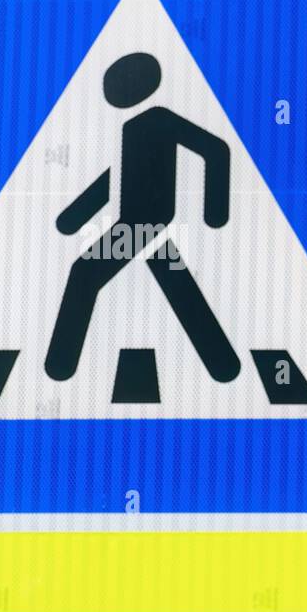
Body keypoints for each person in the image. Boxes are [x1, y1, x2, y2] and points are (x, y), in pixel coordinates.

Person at [44, 52, 241, 383]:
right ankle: (223, 364)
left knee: (84, 273)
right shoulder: (132, 127)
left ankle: (60, 365)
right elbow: (116, 179)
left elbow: (216, 150)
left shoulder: (161, 119)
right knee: (174, 279)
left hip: (144, 221)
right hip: (141, 221)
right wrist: (72, 218)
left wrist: (215, 213)